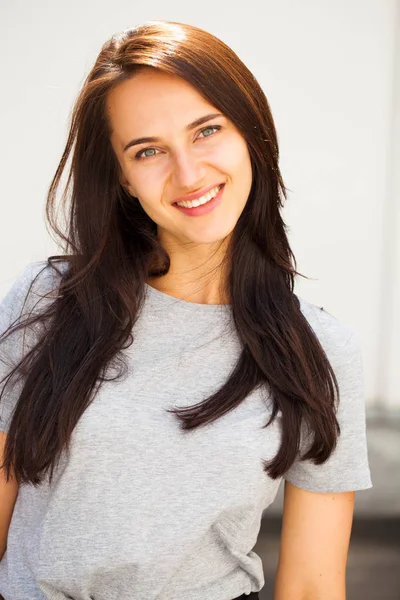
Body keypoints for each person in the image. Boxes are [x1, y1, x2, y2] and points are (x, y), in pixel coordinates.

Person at [0, 20, 372, 600]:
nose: (189, 173)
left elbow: (312, 583)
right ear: (122, 178)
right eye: (148, 150)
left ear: (250, 133)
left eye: (206, 131)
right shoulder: (48, 301)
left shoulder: (319, 352)